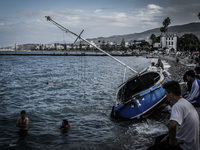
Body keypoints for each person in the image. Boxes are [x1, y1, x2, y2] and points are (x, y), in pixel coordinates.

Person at [147, 81, 199, 150]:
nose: (166, 96)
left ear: (171, 94)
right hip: (192, 142)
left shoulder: (177, 106)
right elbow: (178, 127)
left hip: (186, 146)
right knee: (159, 139)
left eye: (166, 93)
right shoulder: (185, 102)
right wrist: (167, 136)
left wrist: (171, 142)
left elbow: (173, 126)